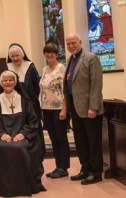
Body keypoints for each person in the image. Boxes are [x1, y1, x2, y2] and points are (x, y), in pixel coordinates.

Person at [0, 70, 44, 197]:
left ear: (15, 82)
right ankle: (4, 186)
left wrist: (23, 134)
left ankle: (23, 186)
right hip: (4, 136)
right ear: (1, 83)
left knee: (20, 147)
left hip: (21, 135)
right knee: (1, 146)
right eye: (5, 80)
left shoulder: (24, 100)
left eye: (10, 80)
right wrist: (1, 134)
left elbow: (33, 121)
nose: (8, 82)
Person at [64, 33, 103, 185]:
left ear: (80, 42)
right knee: (80, 141)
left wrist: (93, 107)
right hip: (75, 107)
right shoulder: (70, 59)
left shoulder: (91, 58)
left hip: (89, 109)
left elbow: (96, 84)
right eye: (68, 44)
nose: (71, 46)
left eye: (73, 43)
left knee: (93, 141)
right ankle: (85, 168)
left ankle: (96, 172)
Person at [5, 43, 45, 187]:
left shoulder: (31, 66)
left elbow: (36, 87)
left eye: (17, 55)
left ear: (22, 55)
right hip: (14, 108)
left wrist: (30, 102)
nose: (15, 58)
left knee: (33, 134)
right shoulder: (8, 68)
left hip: (31, 106)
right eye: (12, 56)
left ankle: (36, 165)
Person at [39, 43, 70, 178]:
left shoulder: (61, 68)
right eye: (47, 52)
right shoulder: (44, 69)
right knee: (53, 138)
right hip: (46, 108)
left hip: (59, 109)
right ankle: (58, 166)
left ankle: (64, 167)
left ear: (57, 54)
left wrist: (64, 109)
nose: (49, 54)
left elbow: (65, 90)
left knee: (61, 138)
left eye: (52, 52)